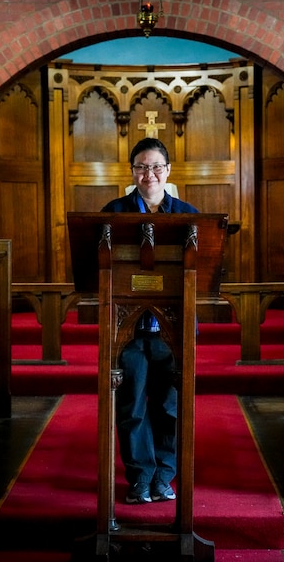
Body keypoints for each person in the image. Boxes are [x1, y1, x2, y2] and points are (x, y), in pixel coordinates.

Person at [101, 137, 199, 504]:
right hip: (128, 330)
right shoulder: (115, 211)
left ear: (168, 171)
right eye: (142, 167)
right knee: (132, 407)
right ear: (132, 172)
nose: (149, 174)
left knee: (170, 407)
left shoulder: (186, 214)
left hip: (170, 332)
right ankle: (140, 478)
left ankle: (164, 477)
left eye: (156, 166)